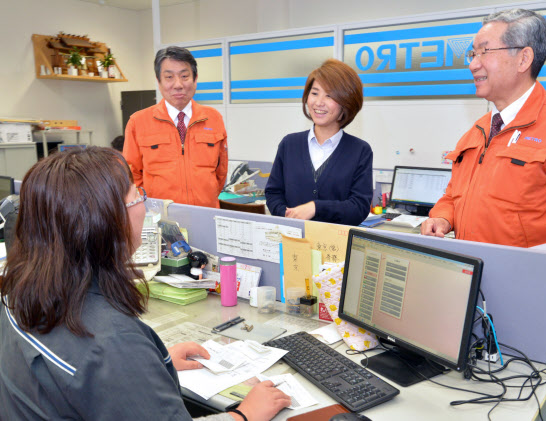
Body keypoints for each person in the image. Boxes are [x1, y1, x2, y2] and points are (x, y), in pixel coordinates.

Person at [0, 147, 290, 420]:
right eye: (137, 195)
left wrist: (150, 366)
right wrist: (244, 415)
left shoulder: (17, 290)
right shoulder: (112, 342)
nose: (144, 205)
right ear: (107, 221)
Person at [420, 9, 546, 331]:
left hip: (528, 299)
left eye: (484, 51)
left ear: (524, 58)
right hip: (472, 290)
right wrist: (442, 216)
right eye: (472, 53)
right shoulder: (479, 130)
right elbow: (455, 194)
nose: (472, 63)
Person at [265, 58, 373, 226]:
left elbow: (359, 208)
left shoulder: (360, 150)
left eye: (329, 95)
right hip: (292, 241)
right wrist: (286, 214)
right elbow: (273, 193)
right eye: (314, 93)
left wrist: (316, 208)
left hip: (335, 247)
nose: (318, 102)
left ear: (347, 102)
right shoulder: (289, 144)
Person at [123, 46, 228, 208]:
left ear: (195, 79)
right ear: (159, 81)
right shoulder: (138, 122)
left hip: (206, 214)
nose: (178, 84)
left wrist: (205, 198)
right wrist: (150, 207)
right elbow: (132, 175)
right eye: (169, 77)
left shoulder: (213, 118)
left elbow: (221, 172)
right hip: (160, 218)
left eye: (185, 76)